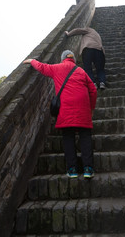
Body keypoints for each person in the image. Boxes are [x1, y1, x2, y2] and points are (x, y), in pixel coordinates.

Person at [23, 50, 97, 178]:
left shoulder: (57, 68)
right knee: (85, 137)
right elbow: (93, 90)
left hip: (66, 111)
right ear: (73, 59)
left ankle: (72, 169)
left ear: (63, 58)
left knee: (68, 138)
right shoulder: (81, 71)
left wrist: (32, 61)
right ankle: (88, 169)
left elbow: (42, 67)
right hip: (83, 110)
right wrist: (91, 109)